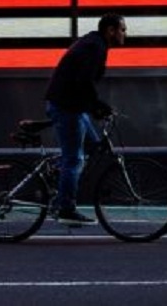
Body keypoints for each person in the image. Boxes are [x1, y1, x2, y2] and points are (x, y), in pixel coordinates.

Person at [44, 13, 127, 226]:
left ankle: (61, 177)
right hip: (66, 107)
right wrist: (99, 107)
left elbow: (82, 82)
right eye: (122, 29)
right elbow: (83, 81)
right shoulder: (95, 47)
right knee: (75, 159)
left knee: (94, 146)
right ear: (110, 30)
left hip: (73, 106)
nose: (125, 34)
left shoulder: (95, 44)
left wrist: (95, 108)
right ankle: (66, 208)